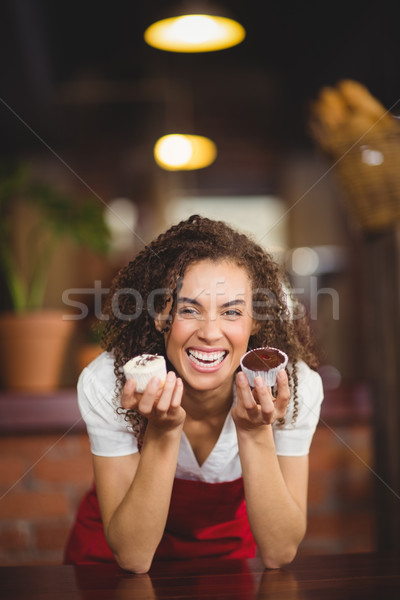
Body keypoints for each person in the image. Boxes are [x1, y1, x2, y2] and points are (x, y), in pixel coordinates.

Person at [64, 214, 323, 573]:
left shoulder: (295, 388)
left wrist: (254, 432)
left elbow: (280, 551)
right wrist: (162, 431)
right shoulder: (109, 381)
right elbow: (133, 556)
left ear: (256, 320)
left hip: (226, 566)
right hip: (107, 569)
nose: (210, 333)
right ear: (159, 315)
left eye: (232, 312)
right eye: (189, 309)